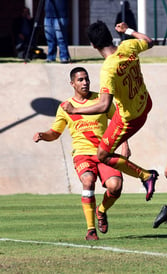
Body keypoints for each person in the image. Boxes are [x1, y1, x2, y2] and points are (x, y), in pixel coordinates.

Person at [61, 20, 159, 202]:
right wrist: (128, 30)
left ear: (93, 45)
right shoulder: (128, 45)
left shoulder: (108, 69)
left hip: (130, 118)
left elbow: (104, 105)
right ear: (110, 35)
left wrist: (75, 110)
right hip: (145, 103)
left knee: (103, 155)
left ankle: (146, 176)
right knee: (107, 151)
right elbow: (149, 41)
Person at [33, 67, 129, 241]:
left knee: (115, 186)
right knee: (88, 180)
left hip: (104, 152)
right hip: (83, 154)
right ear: (72, 83)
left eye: (86, 79)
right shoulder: (65, 107)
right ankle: (91, 230)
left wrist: (125, 145)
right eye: (80, 80)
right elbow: (55, 133)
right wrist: (43, 135)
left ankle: (101, 211)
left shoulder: (101, 100)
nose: (85, 83)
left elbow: (118, 123)